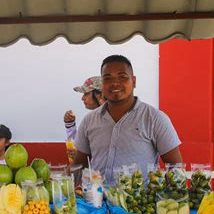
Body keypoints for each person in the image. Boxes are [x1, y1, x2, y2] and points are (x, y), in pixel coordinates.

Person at [73, 55, 182, 184]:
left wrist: (170, 200)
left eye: (122, 77)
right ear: (102, 84)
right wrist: (60, 184)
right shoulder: (89, 121)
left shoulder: (155, 119)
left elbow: (175, 167)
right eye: (108, 78)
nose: (115, 83)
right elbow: (79, 165)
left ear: (134, 81)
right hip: (96, 202)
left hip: (139, 202)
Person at [64, 76, 105, 140]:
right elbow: (80, 145)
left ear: (100, 95)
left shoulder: (114, 120)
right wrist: (70, 125)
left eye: (86, 94)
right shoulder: (92, 119)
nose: (82, 98)